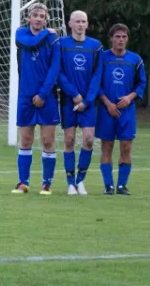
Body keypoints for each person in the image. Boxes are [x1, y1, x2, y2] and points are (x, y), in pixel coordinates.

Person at [11, 3, 61, 195]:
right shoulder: (21, 34)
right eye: (36, 15)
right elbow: (32, 44)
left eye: (42, 16)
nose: (39, 18)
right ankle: (23, 183)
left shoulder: (54, 40)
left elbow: (55, 69)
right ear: (29, 19)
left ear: (46, 19)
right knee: (25, 139)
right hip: (25, 96)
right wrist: (47, 32)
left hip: (46, 97)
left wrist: (43, 94)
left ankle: (46, 184)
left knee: (48, 140)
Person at [95, 23, 147, 195]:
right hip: (106, 110)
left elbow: (142, 83)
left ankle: (122, 185)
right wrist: (107, 103)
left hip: (127, 111)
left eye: (124, 37)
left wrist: (130, 97)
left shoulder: (135, 60)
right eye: (117, 36)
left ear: (127, 39)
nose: (120, 40)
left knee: (126, 147)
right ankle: (108, 185)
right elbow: (96, 84)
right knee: (107, 147)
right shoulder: (102, 57)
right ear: (111, 38)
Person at [58, 11, 103, 195]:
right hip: (69, 101)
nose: (80, 24)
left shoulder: (96, 46)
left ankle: (80, 180)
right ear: (70, 24)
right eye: (77, 21)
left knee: (89, 139)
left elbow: (97, 75)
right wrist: (74, 94)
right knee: (69, 140)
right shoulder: (61, 44)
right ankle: (70, 182)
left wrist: (88, 99)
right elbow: (58, 73)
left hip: (89, 103)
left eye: (83, 21)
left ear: (87, 24)